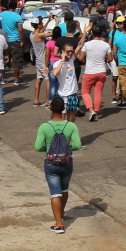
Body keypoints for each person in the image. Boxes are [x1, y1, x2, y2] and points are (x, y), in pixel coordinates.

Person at [33, 96, 82, 234]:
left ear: (50, 108)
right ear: (63, 109)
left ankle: (59, 224)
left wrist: (47, 151)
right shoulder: (71, 126)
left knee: (55, 193)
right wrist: (67, 150)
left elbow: (37, 147)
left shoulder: (44, 127)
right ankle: (61, 212)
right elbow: (77, 145)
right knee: (64, 189)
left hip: (50, 163)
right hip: (67, 163)